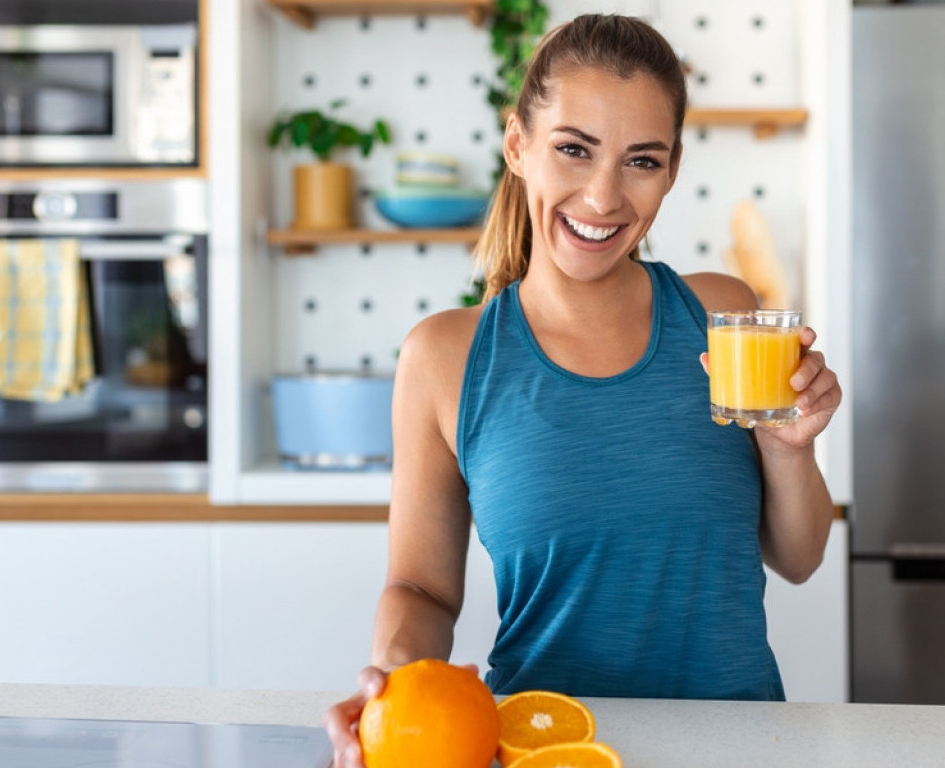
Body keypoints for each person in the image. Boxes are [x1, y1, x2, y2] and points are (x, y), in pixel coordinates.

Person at [325, 13, 840, 766]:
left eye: (641, 161)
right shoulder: (444, 358)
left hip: (738, 747)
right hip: (544, 746)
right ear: (517, 146)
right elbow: (421, 590)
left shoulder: (724, 317)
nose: (603, 197)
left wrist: (789, 449)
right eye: (574, 149)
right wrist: (394, 688)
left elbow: (799, 557)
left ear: (672, 170)